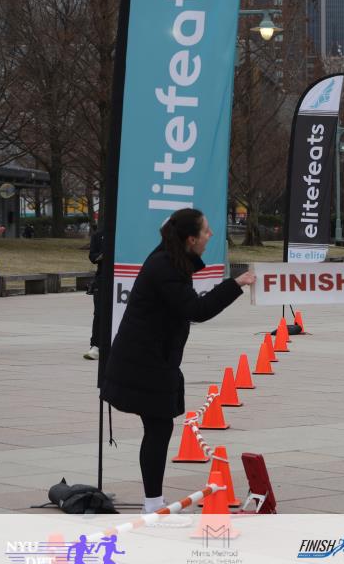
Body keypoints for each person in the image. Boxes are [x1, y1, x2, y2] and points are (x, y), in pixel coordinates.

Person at [101, 208, 255, 513]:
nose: (211, 235)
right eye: (206, 230)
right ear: (190, 239)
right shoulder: (165, 266)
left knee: (158, 428)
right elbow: (197, 310)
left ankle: (153, 501)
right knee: (158, 428)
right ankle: (152, 503)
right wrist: (236, 284)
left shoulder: (170, 260)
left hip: (149, 357)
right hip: (144, 361)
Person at [84, 227, 106, 360]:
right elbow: (92, 256)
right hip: (102, 278)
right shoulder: (98, 235)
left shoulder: (125, 234)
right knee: (99, 313)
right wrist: (101, 256)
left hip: (121, 277)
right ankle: (95, 345)